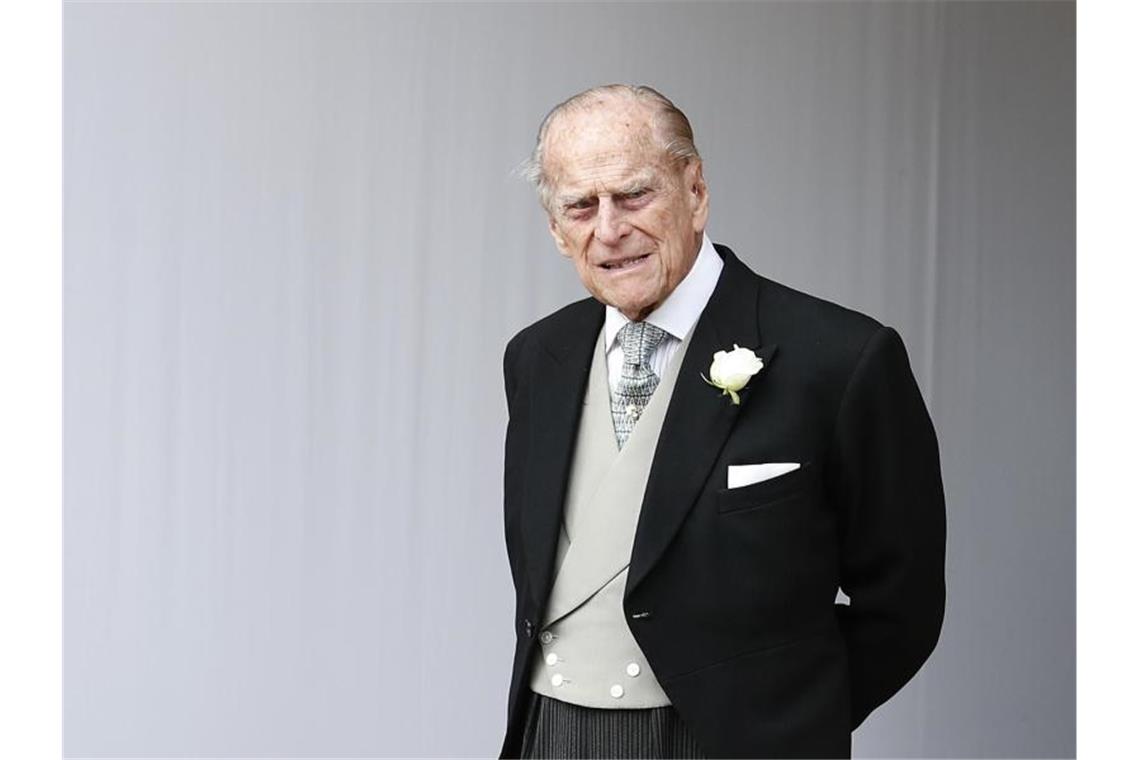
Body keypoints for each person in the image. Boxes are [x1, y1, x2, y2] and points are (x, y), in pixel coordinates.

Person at [499, 84, 945, 759]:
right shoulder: (536, 358)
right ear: (558, 231)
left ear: (696, 190)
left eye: (634, 195)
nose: (610, 229)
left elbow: (904, 605)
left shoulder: (841, 358)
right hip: (553, 734)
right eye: (581, 206)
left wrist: (786, 720)